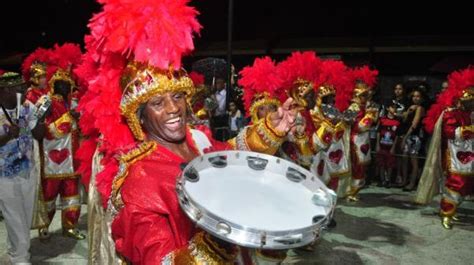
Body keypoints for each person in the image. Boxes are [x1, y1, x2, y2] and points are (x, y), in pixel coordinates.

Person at [74, 1, 297, 264]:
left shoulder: (197, 137)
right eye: (157, 103)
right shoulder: (139, 178)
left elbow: (230, 157)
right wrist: (220, 240)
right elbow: (160, 259)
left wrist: (270, 130)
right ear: (140, 118)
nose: (173, 109)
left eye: (178, 96)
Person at [415, 67, 474, 229]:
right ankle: (446, 213)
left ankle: (453, 210)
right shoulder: (450, 113)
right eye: (469, 100)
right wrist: (469, 130)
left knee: (466, 185)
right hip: (454, 155)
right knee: (455, 184)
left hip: (470, 156)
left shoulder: (471, 114)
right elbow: (450, 132)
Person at [0, 72, 46, 265]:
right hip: (4, 175)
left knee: (25, 216)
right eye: (19, 88)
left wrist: (40, 117)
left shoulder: (27, 106)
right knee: (13, 216)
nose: (24, 91)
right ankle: (21, 258)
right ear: (6, 90)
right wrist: (8, 135)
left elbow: (39, 134)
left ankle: (15, 251)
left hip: (28, 170)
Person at [39, 68, 85, 240]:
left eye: (68, 86)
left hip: (72, 159)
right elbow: (43, 129)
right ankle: (44, 227)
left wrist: (79, 119)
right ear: (54, 86)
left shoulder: (72, 103)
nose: (65, 89)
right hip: (52, 159)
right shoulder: (46, 102)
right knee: (49, 195)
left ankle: (70, 226)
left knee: (72, 196)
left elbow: (79, 128)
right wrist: (69, 119)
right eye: (61, 86)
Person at [345, 66, 379, 202]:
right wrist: (370, 116)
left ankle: (355, 190)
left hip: (363, 141)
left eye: (368, 95)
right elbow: (359, 127)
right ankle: (351, 191)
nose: (367, 97)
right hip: (356, 141)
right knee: (357, 166)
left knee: (361, 166)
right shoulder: (354, 107)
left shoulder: (363, 106)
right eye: (364, 95)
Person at [400, 86, 426, 191]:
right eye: (414, 96)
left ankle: (412, 183)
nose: (415, 98)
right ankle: (404, 180)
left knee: (413, 161)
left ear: (422, 98)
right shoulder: (412, 107)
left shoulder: (420, 108)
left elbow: (414, 125)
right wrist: (409, 111)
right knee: (405, 159)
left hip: (414, 137)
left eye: (418, 96)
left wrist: (404, 138)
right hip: (409, 135)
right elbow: (404, 119)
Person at [376, 102, 400, 187]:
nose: (394, 109)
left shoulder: (397, 121)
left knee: (390, 163)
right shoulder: (382, 119)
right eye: (392, 107)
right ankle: (382, 180)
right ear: (388, 108)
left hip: (391, 146)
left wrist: (394, 147)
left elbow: (397, 135)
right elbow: (378, 132)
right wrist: (377, 144)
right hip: (382, 144)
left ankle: (388, 180)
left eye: (395, 108)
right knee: (381, 163)